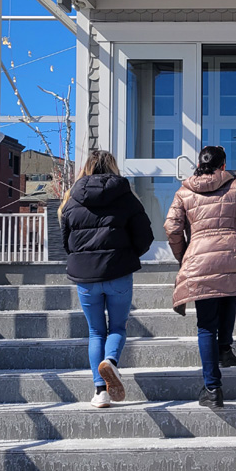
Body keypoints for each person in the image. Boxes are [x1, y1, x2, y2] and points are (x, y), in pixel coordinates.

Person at [164, 145, 236, 409]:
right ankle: (224, 347)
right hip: (232, 252)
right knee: (228, 294)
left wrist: (184, 255)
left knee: (205, 325)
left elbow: (172, 227)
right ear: (223, 166)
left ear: (199, 165)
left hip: (199, 257)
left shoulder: (184, 191)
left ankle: (212, 388)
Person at [59, 150, 154, 409]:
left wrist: (82, 258)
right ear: (113, 168)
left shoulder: (72, 199)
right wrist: (128, 255)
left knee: (95, 332)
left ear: (86, 168)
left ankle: (100, 392)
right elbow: (145, 236)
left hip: (85, 276)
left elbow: (67, 241)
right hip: (118, 272)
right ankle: (110, 362)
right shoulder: (126, 196)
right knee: (118, 328)